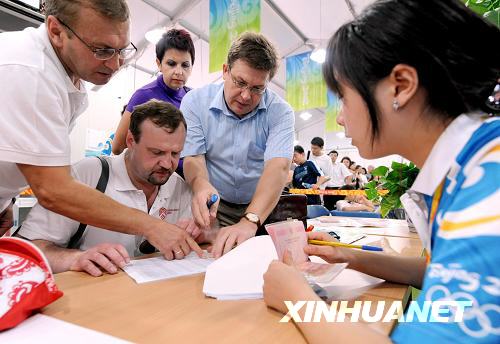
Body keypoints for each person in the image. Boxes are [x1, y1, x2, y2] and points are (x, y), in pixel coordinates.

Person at [263, 0, 500, 342]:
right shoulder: (471, 165)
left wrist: (297, 300)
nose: (341, 118)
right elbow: (442, 273)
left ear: (401, 86)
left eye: (343, 97)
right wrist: (347, 255)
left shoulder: (488, 184)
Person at [0, 0, 200, 260]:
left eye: (121, 50)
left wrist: (5, 197)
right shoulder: (31, 73)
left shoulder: (65, 75)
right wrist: (152, 225)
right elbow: (53, 190)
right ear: (56, 31)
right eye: (102, 50)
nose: (116, 64)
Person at [17, 100, 201, 275]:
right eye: (156, 152)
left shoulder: (179, 185)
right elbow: (25, 251)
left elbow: (200, 240)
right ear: (130, 140)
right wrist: (74, 259)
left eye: (175, 153)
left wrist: (199, 233)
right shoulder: (88, 175)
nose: (168, 164)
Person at [180, 32, 294, 258]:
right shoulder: (194, 102)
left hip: (262, 206)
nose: (245, 96)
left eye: (257, 88)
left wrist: (250, 219)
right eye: (240, 82)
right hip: (215, 206)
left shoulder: (280, 112)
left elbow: (278, 167)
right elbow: (194, 158)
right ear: (225, 70)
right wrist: (201, 184)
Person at [112, 28, 195, 156]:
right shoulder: (144, 95)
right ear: (159, 64)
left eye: (185, 65)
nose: (179, 72)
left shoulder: (193, 98)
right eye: (171, 64)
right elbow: (117, 147)